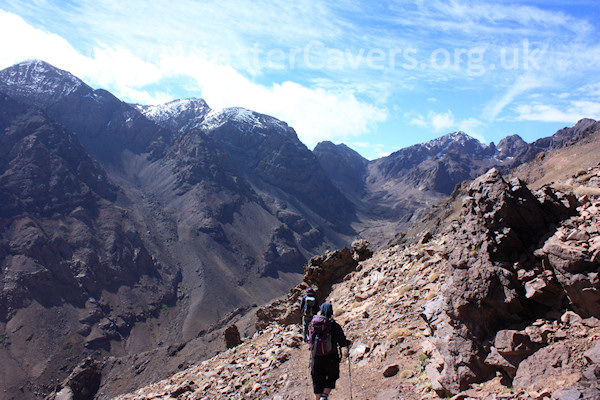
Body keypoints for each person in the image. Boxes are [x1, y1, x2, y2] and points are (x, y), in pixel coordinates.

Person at [308, 302, 350, 400]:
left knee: (317, 380)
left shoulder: (314, 324)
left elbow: (309, 340)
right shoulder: (334, 326)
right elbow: (342, 342)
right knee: (332, 377)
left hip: (316, 357)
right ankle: (324, 396)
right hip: (331, 357)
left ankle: (318, 398)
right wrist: (347, 344)